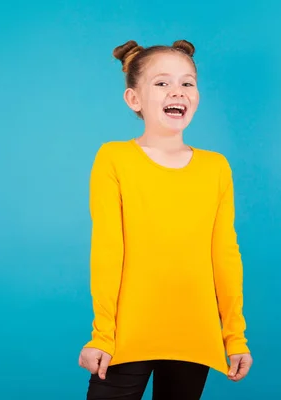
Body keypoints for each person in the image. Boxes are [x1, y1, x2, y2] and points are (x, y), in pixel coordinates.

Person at [78, 39, 253, 400]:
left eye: (187, 82)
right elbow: (109, 251)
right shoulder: (114, 159)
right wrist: (103, 335)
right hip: (128, 335)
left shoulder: (215, 167)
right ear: (134, 99)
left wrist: (234, 336)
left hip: (195, 334)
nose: (178, 91)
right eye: (162, 83)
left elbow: (224, 255)